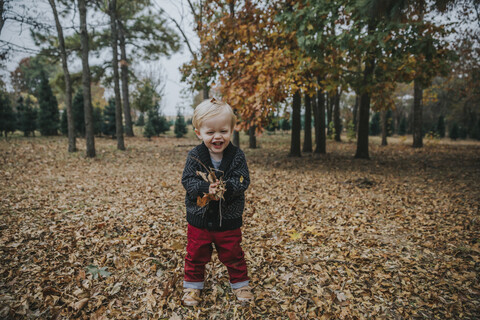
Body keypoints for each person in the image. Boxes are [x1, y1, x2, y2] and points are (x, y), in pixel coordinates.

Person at [181, 98, 253, 306]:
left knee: (233, 253)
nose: (217, 136)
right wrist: (205, 188)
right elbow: (188, 180)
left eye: (223, 130)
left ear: (232, 130)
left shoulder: (237, 156)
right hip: (200, 219)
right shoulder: (195, 156)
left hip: (228, 218)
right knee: (195, 253)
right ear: (199, 133)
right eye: (210, 132)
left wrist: (226, 188)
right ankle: (193, 288)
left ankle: (241, 285)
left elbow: (243, 179)